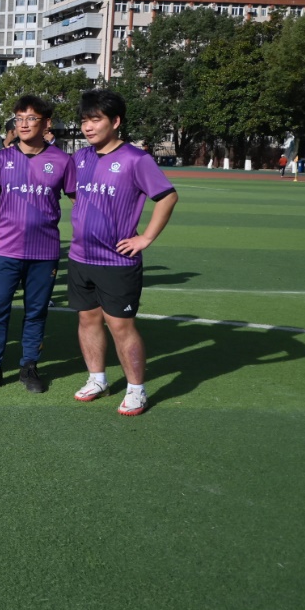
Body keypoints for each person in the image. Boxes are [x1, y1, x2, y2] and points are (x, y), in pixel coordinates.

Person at [68, 89, 178, 416]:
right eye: (84, 120)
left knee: (120, 326)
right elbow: (76, 195)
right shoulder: (81, 157)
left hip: (117, 261)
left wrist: (145, 238)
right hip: (80, 257)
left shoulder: (135, 159)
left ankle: (136, 389)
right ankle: (97, 379)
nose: (88, 127)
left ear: (115, 121)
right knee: (87, 320)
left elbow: (168, 197)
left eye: (95, 119)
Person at [0, 95, 75, 393]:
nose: (23, 124)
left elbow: (78, 202)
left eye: (31, 118)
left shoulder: (62, 161)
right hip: (4, 248)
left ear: (46, 123)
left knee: (36, 311)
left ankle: (29, 366)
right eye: (19, 118)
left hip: (44, 251)